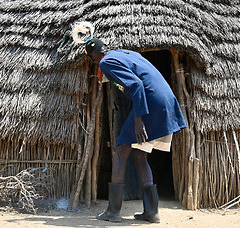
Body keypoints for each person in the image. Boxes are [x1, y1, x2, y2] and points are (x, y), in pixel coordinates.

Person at [72, 23, 187, 223]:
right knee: (140, 155)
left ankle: (113, 211)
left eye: (91, 59)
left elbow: (136, 85)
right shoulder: (125, 53)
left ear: (94, 56)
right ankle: (151, 212)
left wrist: (138, 120)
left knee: (121, 151)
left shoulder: (105, 62)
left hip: (151, 104)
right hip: (166, 100)